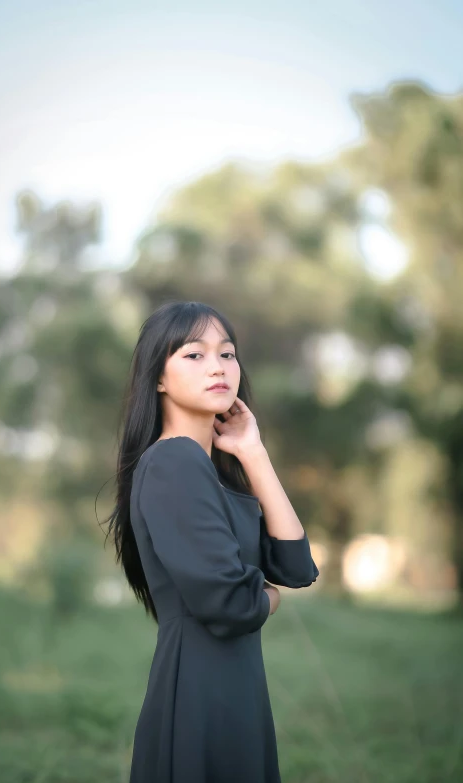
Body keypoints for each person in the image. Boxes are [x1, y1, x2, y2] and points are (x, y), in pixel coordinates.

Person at [104, 300, 319, 783]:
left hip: (235, 687)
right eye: (194, 355)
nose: (218, 367)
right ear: (157, 378)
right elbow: (232, 604)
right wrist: (268, 599)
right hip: (200, 691)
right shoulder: (173, 462)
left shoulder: (210, 472)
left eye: (227, 354)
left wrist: (253, 452)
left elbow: (296, 565)